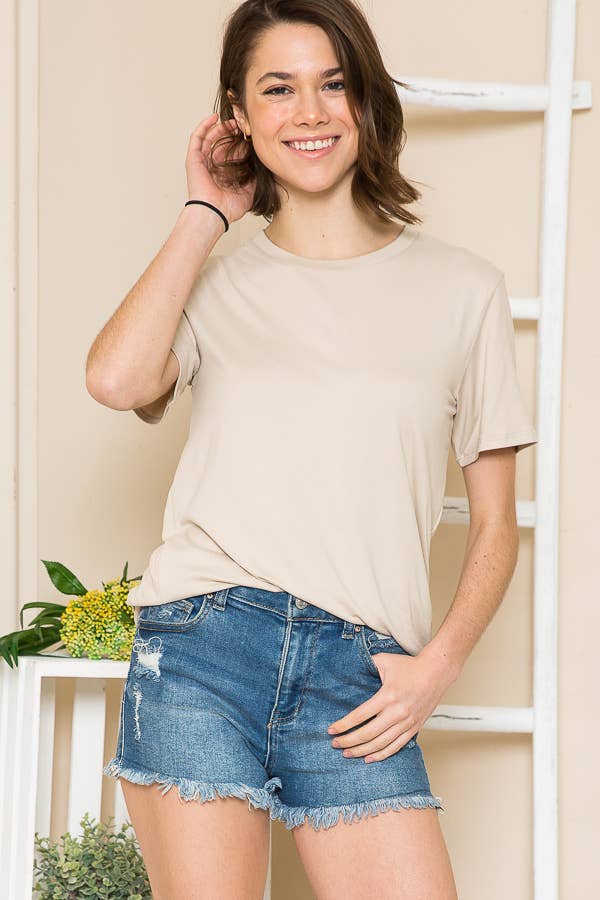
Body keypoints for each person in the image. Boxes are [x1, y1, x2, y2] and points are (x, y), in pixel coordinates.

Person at [89, 1, 537, 897]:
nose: (311, 111)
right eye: (278, 89)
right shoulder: (210, 281)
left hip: (359, 674)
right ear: (238, 117)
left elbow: (494, 525)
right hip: (204, 649)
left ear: (366, 100)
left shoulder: (464, 292)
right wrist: (204, 211)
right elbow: (117, 380)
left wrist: (435, 668)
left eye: (334, 83)